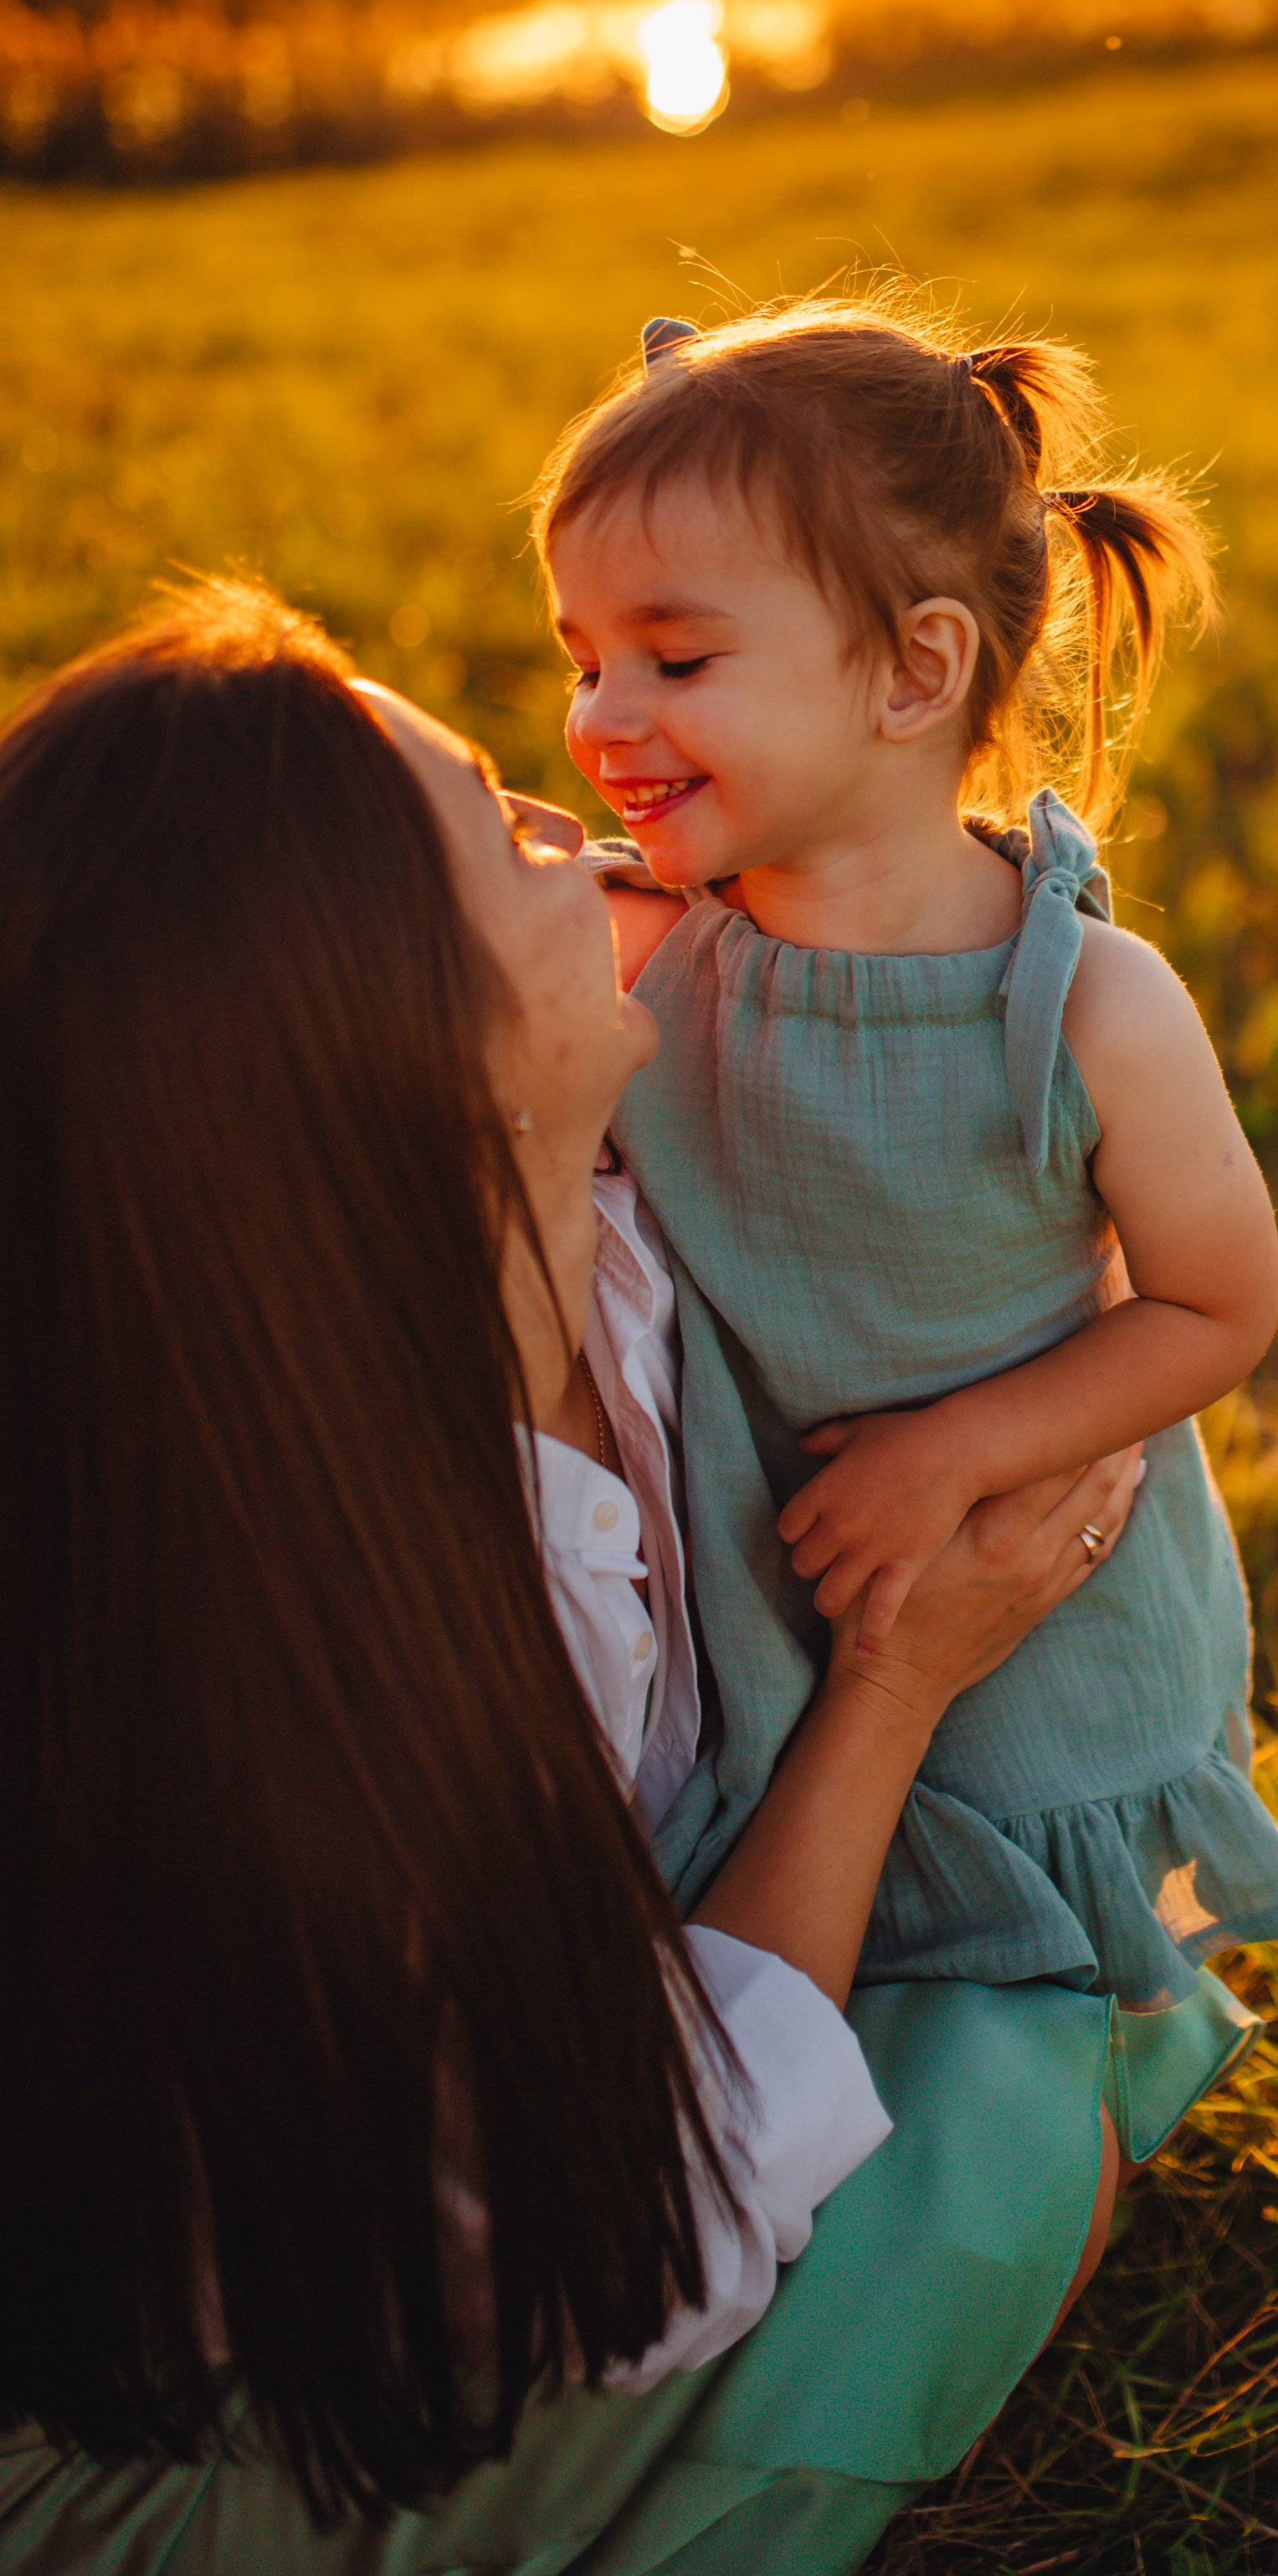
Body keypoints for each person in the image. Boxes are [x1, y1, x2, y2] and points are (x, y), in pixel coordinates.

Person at [0, 582, 1156, 2575]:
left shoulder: (574, 1216)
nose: (573, 817)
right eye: (499, 825)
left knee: (1013, 2032)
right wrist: (899, 1682)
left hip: (477, 2154)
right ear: (404, 1046)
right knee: (1002, 2141)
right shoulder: (299, 1679)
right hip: (179, 2408)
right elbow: (640, 2244)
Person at [539, 294, 1278, 2031]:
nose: (601, 717)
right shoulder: (649, 949)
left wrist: (955, 1453)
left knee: (1033, 1975)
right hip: (763, 1598)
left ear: (914, 670)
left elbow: (1216, 1305)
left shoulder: (1079, 1006)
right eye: (580, 656)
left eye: (675, 661)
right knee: (824, 1905)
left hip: (1034, 1601)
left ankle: (1082, 2083)